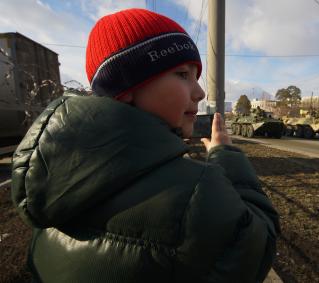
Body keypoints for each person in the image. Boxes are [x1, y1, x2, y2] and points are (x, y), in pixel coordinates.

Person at [11, 8, 279, 283]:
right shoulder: (195, 193)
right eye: (182, 74)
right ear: (126, 87)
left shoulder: (53, 179)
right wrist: (227, 156)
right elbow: (257, 247)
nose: (199, 93)